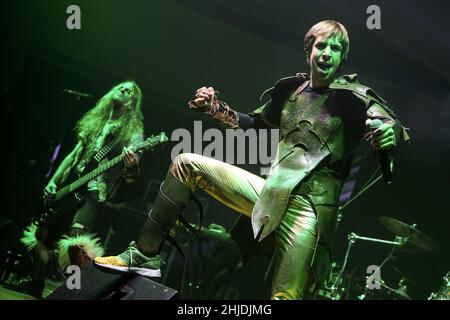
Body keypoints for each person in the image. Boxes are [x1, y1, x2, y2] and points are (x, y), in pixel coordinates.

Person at [94, 21, 409, 299]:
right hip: (271, 193)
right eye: (321, 45)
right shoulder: (292, 92)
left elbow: (385, 122)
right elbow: (255, 125)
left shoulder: (353, 95)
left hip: (310, 211)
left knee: (285, 296)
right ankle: (146, 255)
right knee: (186, 163)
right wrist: (217, 110)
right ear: (309, 50)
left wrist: (386, 134)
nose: (327, 53)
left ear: (342, 58)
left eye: (335, 49)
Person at [20, 80, 145, 296]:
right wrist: (53, 181)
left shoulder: (132, 132)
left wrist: (133, 166)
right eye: (121, 87)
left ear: (133, 102)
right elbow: (74, 155)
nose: (123, 90)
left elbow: (131, 177)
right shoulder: (96, 121)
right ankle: (35, 282)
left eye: (129, 91)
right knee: (45, 235)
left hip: (96, 189)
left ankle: (74, 292)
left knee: (77, 241)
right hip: (71, 185)